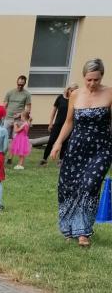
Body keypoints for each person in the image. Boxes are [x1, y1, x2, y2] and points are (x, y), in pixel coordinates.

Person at [51, 58, 112, 248]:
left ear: (102, 76)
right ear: (84, 77)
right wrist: (58, 143)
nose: (92, 83)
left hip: (101, 148)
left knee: (89, 185)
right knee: (68, 186)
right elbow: (69, 122)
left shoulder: (110, 93)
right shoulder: (75, 95)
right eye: (89, 79)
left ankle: (83, 232)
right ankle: (69, 228)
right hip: (76, 148)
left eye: (96, 79)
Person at [40, 85, 77, 165]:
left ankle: (61, 160)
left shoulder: (75, 100)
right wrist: (50, 123)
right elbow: (54, 111)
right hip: (57, 124)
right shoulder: (60, 98)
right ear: (68, 90)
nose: (73, 92)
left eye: (75, 91)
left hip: (68, 126)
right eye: (72, 90)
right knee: (51, 141)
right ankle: (44, 159)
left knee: (65, 142)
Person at [3, 75, 32, 154]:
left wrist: (20, 114)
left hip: (19, 120)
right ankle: (3, 155)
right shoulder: (10, 92)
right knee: (4, 137)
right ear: (17, 82)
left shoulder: (27, 94)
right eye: (19, 84)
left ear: (24, 84)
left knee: (15, 139)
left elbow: (28, 108)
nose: (20, 86)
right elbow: (4, 105)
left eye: (22, 84)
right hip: (8, 118)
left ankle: (10, 157)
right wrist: (2, 115)